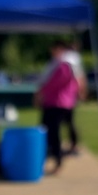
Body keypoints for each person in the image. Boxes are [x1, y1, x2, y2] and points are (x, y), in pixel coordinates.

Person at [36, 40, 80, 174]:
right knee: (49, 132)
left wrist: (41, 91)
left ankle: (57, 160)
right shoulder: (62, 64)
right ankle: (50, 158)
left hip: (57, 103)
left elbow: (55, 83)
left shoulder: (64, 65)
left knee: (53, 134)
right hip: (58, 102)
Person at [61, 41, 87, 155]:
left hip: (68, 95)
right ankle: (73, 145)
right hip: (69, 94)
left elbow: (78, 76)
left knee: (69, 121)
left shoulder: (70, 58)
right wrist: (82, 91)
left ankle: (74, 145)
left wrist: (81, 91)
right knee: (69, 121)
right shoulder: (73, 58)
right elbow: (80, 76)